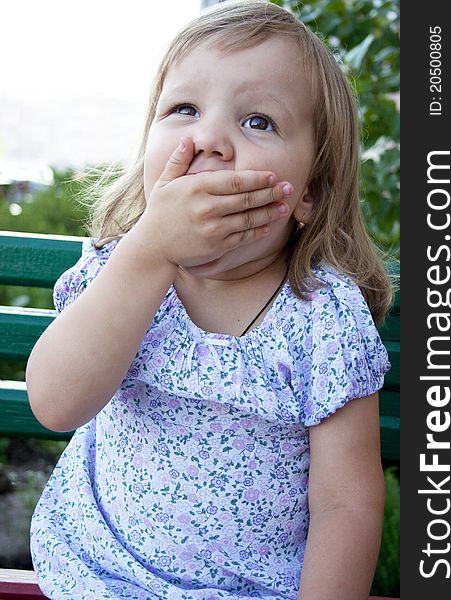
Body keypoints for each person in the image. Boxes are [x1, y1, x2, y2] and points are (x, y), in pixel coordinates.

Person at [28, 1, 393, 598]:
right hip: (99, 572)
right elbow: (56, 402)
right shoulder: (121, 270)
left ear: (310, 192)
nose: (210, 139)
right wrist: (148, 253)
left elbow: (345, 505)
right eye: (184, 109)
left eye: (258, 122)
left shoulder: (323, 318)